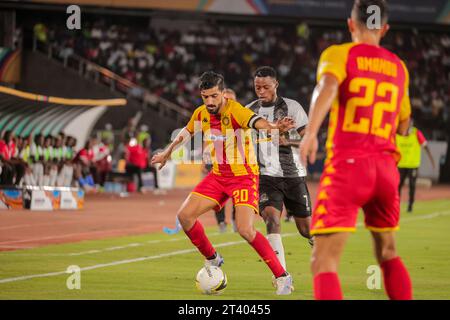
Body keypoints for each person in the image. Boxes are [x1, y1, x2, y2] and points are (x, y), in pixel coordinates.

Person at [300, 0, 413, 300]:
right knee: (388, 252)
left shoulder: (339, 54)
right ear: (385, 29)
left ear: (351, 24)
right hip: (387, 170)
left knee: (324, 260)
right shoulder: (399, 68)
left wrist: (311, 132)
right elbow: (404, 126)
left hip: (348, 166)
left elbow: (327, 86)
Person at [151, 71, 296, 295]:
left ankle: (283, 277)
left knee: (246, 230)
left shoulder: (236, 110)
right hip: (218, 176)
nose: (210, 101)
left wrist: (276, 126)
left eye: (214, 96)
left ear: (222, 93)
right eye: (205, 96)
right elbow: (185, 133)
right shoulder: (201, 114)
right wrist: (167, 153)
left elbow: (258, 123)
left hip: (244, 176)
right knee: (185, 216)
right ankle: (213, 258)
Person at [246, 66, 313, 275]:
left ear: (276, 84)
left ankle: (316, 243)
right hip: (265, 176)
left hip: (294, 176)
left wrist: (289, 140)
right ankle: (282, 275)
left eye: (266, 86)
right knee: (272, 221)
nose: (261, 90)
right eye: (258, 87)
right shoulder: (249, 111)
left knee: (305, 230)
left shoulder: (292, 107)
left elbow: (308, 137)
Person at [396, 120, 435, 212]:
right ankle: (396, 205)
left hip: (413, 164)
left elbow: (425, 146)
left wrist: (432, 160)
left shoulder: (416, 133)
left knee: (412, 185)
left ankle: (410, 205)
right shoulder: (397, 133)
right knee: (398, 186)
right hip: (401, 164)